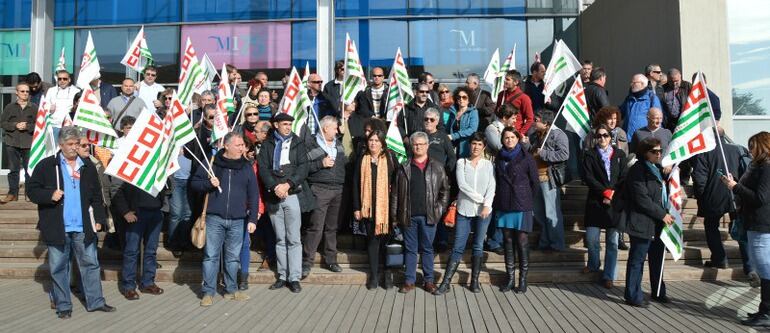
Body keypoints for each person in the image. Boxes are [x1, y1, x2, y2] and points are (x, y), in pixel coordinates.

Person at [27, 127, 116, 318]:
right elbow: (32, 191)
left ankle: (96, 302)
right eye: (70, 144)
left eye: (77, 143)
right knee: (59, 268)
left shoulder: (87, 165)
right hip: (58, 226)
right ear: (61, 145)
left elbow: (95, 196)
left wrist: (100, 219)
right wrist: (49, 195)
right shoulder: (47, 166)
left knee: (91, 264)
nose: (74, 147)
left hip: (83, 225)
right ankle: (64, 305)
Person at [191, 132, 259, 306]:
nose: (242, 148)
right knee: (211, 256)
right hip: (214, 218)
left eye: (243, 145)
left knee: (233, 258)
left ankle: (232, 289)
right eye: (238, 145)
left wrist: (253, 219)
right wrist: (208, 184)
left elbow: (253, 193)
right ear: (226, 146)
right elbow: (194, 183)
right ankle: (208, 292)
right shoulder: (212, 163)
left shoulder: (246, 166)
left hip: (238, 219)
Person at [258, 113, 314, 293]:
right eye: (284, 124)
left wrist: (288, 184)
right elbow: (263, 169)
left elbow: (303, 167)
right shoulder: (267, 144)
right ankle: (282, 275)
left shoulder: (297, 142)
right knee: (280, 238)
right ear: (276, 125)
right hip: (274, 196)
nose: (288, 127)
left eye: (290, 124)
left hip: (292, 194)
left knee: (294, 238)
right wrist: (275, 186)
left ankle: (294, 277)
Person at [435, 133, 495, 295]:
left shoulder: (488, 165)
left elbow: (492, 186)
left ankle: (474, 281)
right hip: (464, 209)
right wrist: (481, 199)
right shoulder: (462, 162)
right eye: (473, 143)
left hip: (484, 211)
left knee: (478, 245)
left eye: (479, 144)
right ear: (470, 145)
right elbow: (463, 186)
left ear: (484, 147)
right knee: (457, 246)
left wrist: (486, 205)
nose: (476, 147)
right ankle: (446, 283)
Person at [721, 131, 770, 327]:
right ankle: (764, 309)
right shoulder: (756, 166)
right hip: (754, 223)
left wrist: (735, 187)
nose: (750, 150)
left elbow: (760, 197)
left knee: (765, 269)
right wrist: (735, 184)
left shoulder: (766, 168)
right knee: (763, 268)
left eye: (753, 146)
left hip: (762, 224)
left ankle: (766, 312)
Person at [391, 132, 450, 293]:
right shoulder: (404, 167)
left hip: (429, 216)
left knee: (427, 248)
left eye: (421, 144)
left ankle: (428, 280)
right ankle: (409, 280)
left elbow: (445, 190)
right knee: (410, 248)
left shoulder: (437, 166)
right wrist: (395, 216)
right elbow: (395, 193)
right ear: (411, 146)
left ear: (427, 146)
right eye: (415, 144)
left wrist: (439, 209)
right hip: (408, 215)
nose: (418, 147)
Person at [693, 128, 753, 271]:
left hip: (713, 196)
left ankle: (720, 259)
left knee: (711, 226)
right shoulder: (739, 149)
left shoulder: (703, 153)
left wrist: (701, 198)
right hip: (737, 194)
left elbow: (699, 178)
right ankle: (750, 267)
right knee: (741, 228)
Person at [623, 137, 673, 307]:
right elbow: (642, 199)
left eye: (660, 151)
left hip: (658, 223)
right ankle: (632, 295)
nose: (659, 154)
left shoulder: (657, 168)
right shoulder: (637, 170)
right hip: (642, 221)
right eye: (655, 151)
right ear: (645, 152)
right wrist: (662, 214)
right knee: (637, 260)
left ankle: (659, 291)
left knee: (657, 258)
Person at [111, 163, 166, 301]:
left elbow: (168, 187)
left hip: (155, 212)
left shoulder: (159, 163)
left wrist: (164, 206)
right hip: (136, 213)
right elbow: (116, 189)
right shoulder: (129, 162)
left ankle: (148, 282)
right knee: (131, 251)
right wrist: (125, 212)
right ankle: (128, 286)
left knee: (151, 250)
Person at [582, 125, 628, 289]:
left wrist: (613, 194)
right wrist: (604, 192)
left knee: (612, 242)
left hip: (614, 204)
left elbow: (624, 177)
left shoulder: (620, 155)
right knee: (592, 239)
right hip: (595, 201)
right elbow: (588, 177)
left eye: (605, 135)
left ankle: (609, 274)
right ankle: (594, 264)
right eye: (599, 136)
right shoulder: (589, 155)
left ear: (611, 137)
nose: (602, 139)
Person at [493, 127, 539, 293]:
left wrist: (526, 199)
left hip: (521, 204)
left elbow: (535, 182)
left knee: (522, 241)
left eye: (512, 137)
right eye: (506, 137)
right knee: (508, 241)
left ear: (518, 138)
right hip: (504, 203)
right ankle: (510, 278)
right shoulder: (499, 156)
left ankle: (523, 279)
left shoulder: (526, 157)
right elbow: (497, 179)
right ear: (502, 140)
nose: (509, 140)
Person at [302, 116, 347, 277]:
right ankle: (307, 261)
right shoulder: (311, 144)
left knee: (332, 228)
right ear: (325, 128)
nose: (337, 131)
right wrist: (320, 164)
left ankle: (331, 259)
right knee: (316, 226)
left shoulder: (338, 144)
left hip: (338, 190)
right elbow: (304, 167)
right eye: (335, 128)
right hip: (320, 189)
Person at [352, 130, 397, 289]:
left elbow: (397, 184)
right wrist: (357, 207)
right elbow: (355, 184)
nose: (373, 143)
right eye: (371, 140)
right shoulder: (362, 159)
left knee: (386, 242)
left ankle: (387, 274)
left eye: (377, 141)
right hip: (369, 209)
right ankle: (373, 276)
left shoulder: (390, 159)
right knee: (372, 242)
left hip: (386, 209)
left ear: (382, 143)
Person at [529, 110, 569, 251]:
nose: (534, 121)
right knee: (539, 213)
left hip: (548, 178)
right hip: (535, 178)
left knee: (551, 213)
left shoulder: (558, 134)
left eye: (537, 119)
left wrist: (544, 153)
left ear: (546, 123)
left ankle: (557, 244)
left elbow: (564, 154)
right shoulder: (535, 135)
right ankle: (545, 242)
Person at [1, 83, 36, 203]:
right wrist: (15, 125)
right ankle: (12, 193)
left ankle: (30, 193)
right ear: (17, 92)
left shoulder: (34, 107)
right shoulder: (10, 107)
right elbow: (3, 123)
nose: (25, 93)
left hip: (28, 142)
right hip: (12, 141)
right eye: (22, 91)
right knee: (13, 169)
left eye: (27, 91)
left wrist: (28, 126)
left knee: (29, 169)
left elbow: (39, 125)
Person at [620, 74, 662, 144]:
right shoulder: (629, 98)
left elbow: (658, 119)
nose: (631, 85)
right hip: (628, 140)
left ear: (642, 84)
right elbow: (621, 113)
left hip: (644, 139)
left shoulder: (652, 98)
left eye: (633, 83)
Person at [496, 70, 535, 136]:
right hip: (500, 131)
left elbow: (530, 119)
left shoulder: (524, 98)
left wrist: (520, 134)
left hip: (514, 133)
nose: (505, 81)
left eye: (508, 79)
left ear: (516, 82)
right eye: (505, 79)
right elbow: (496, 112)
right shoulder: (501, 95)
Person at [445, 86, 480, 158]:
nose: (461, 99)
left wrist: (454, 136)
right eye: (459, 97)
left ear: (469, 100)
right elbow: (447, 128)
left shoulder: (473, 112)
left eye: (464, 97)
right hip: (451, 146)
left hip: (465, 146)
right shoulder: (453, 111)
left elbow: (472, 129)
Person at [424, 108, 457, 173]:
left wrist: (445, 173)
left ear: (437, 122)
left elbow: (452, 158)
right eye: (426, 119)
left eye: (432, 119)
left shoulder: (443, 137)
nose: (428, 121)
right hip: (421, 172)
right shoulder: (419, 136)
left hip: (437, 173)